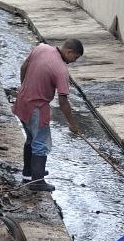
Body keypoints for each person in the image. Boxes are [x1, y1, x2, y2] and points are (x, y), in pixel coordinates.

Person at [12, 38, 84, 191]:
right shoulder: (61, 70)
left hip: (22, 100)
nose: (74, 61)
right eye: (75, 57)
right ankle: (37, 182)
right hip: (37, 108)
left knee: (31, 138)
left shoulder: (41, 48)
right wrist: (72, 124)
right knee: (41, 144)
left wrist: (25, 87)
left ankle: (29, 173)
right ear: (69, 52)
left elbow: (23, 67)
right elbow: (63, 101)